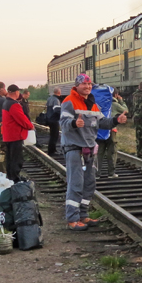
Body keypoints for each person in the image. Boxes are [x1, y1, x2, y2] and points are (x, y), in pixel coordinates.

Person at [60, 74, 128, 230]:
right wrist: (74, 123)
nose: (88, 87)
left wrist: (116, 120)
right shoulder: (69, 101)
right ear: (77, 86)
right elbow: (63, 123)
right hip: (74, 148)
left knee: (89, 184)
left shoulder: (92, 104)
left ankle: (83, 215)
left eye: (89, 84)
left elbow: (102, 122)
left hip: (90, 149)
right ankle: (72, 219)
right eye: (84, 84)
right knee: (76, 184)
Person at [2, 84, 34, 183]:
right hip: (15, 135)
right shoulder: (14, 105)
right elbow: (22, 119)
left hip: (8, 135)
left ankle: (11, 177)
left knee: (10, 158)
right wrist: (30, 126)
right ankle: (15, 179)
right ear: (16, 92)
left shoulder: (6, 102)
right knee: (16, 159)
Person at [96, 88, 128, 178]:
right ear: (115, 95)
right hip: (111, 130)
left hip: (100, 130)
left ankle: (97, 173)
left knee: (99, 152)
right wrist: (121, 101)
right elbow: (126, 110)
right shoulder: (114, 104)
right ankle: (111, 173)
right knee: (112, 152)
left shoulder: (98, 103)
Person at [46, 87, 62, 156]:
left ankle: (52, 149)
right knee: (55, 136)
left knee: (52, 135)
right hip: (54, 120)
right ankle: (52, 151)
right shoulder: (56, 100)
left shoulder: (49, 98)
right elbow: (57, 110)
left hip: (49, 119)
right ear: (59, 92)